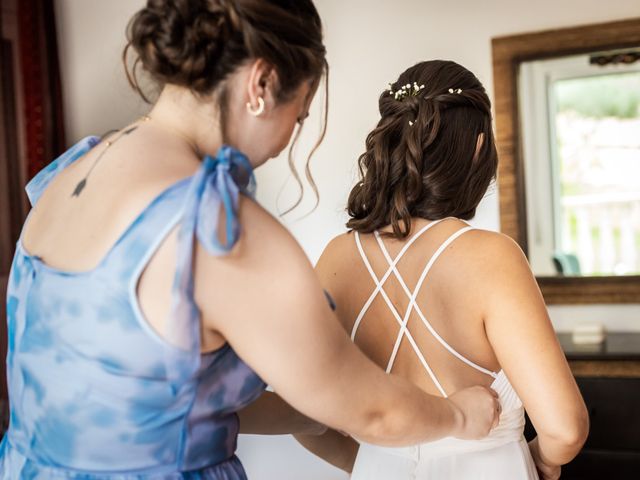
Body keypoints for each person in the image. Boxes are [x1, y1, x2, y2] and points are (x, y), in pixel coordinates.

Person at [0, 2, 500, 478]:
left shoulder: (66, 176)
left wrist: (313, 412)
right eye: (300, 116)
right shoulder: (215, 226)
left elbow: (155, 393)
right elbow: (376, 414)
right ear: (261, 83)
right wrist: (459, 414)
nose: (289, 139)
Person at [295, 60, 589, 480]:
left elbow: (305, 413)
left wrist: (370, 463)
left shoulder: (336, 258)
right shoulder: (492, 257)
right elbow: (565, 429)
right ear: (477, 146)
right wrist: (541, 463)